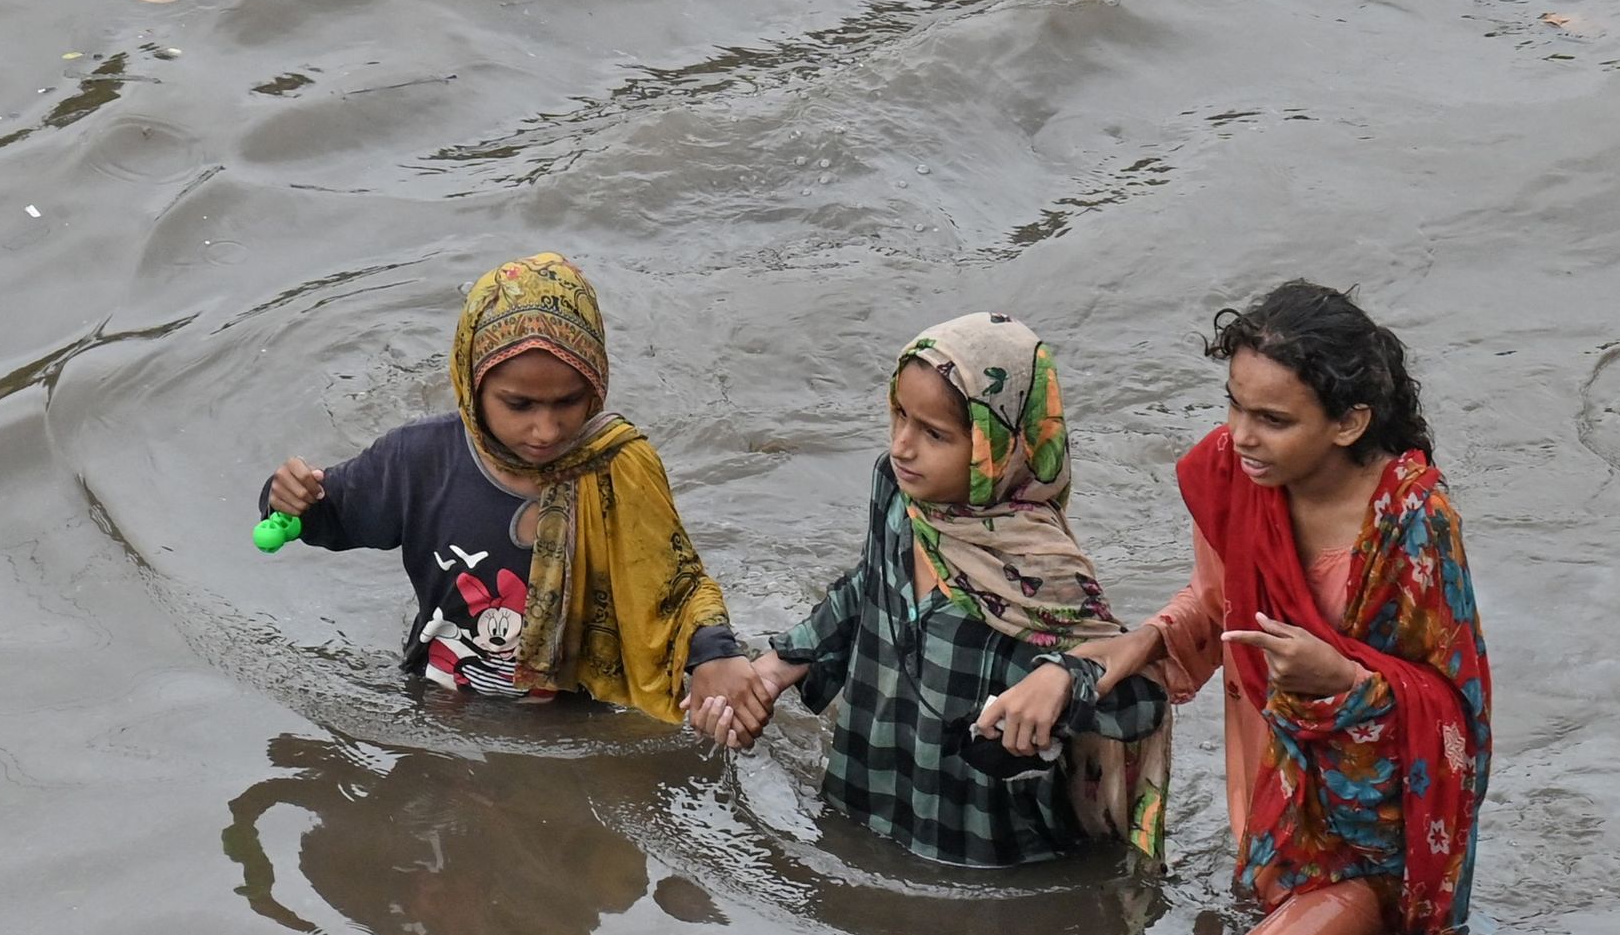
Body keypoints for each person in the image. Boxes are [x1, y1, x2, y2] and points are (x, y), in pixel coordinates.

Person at [1079, 281, 1491, 935]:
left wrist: (1343, 680)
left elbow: (1454, 711)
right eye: (1234, 404)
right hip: (1268, 812)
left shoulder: (1411, 521)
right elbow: (1217, 600)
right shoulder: (1232, 477)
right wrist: (1148, 639)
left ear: (1348, 422)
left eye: (1272, 419)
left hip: (1373, 850)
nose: (1240, 434)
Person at [703, 312, 1171, 866]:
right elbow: (868, 586)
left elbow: (1139, 698)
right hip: (867, 787)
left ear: (1000, 446)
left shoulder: (1044, 569)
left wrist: (1059, 690)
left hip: (979, 841)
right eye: (900, 415)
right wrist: (779, 665)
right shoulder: (900, 497)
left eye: (934, 434)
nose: (903, 446)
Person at [257, 253, 749, 732]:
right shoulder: (420, 461)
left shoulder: (617, 467)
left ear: (596, 385)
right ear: (473, 385)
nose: (545, 429)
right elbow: (330, 517)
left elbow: (675, 583)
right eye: (519, 404)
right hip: (439, 703)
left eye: (569, 402)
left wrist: (716, 657)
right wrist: (289, 498)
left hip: (575, 717)